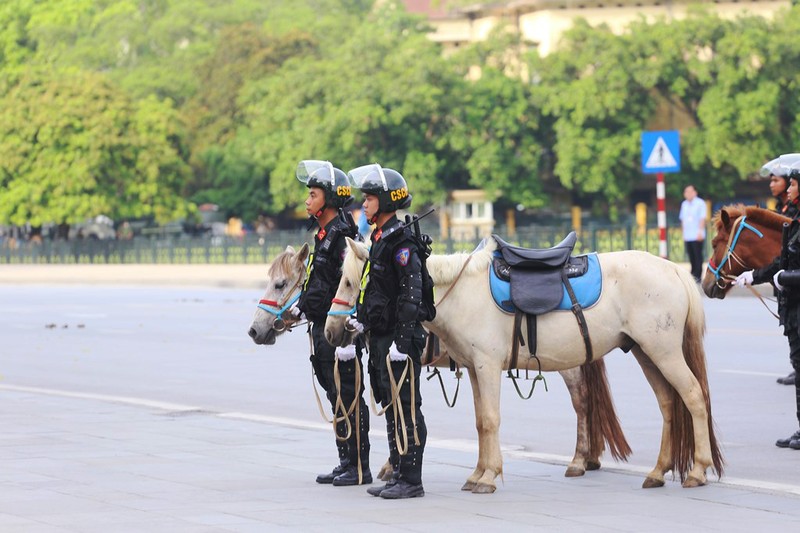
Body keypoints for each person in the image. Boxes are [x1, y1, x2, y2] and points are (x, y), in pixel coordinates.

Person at [346, 163, 432, 499]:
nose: (363, 205)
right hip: (381, 338)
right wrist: (363, 321)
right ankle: (398, 471)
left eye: (368, 199)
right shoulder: (381, 239)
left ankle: (412, 479)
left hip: (400, 339)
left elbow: (412, 293)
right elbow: (378, 290)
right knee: (391, 405)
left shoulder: (401, 242)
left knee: (407, 407)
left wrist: (402, 340)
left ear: (383, 202)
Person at [294, 160, 372, 486]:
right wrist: (301, 309)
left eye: (312, 194)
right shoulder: (325, 235)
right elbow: (317, 283)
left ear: (328, 199)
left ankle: (359, 467)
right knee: (334, 395)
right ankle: (345, 460)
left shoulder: (343, 238)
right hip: (321, 327)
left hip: (338, 333)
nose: (307, 201)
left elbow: (345, 287)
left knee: (348, 394)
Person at [735, 155, 800, 450]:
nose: (788, 189)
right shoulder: (794, 219)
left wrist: (783, 278)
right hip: (793, 306)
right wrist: (756, 276)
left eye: (793, 183)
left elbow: (788, 268)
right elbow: (781, 260)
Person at [761, 155, 800, 386]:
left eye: (791, 184)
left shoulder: (791, 213)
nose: (772, 184)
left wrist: (784, 276)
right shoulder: (785, 209)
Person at [679, 184, 706, 282]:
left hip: (697, 234)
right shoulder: (684, 204)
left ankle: (698, 275)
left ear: (695, 192)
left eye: (690, 191)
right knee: (691, 255)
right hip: (688, 234)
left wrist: (700, 231)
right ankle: (693, 273)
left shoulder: (700, 203)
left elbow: (702, 218)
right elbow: (682, 219)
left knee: (698, 255)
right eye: (686, 192)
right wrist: (683, 233)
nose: (688, 194)